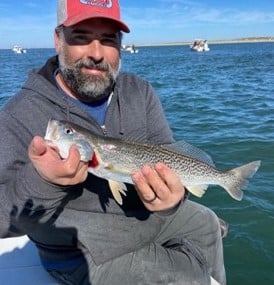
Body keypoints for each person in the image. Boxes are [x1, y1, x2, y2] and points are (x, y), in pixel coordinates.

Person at [0, 0, 226, 284]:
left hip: (144, 219)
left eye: (108, 39)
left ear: (120, 45)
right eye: (81, 37)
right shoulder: (18, 114)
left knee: (206, 224)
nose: (96, 53)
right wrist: (43, 182)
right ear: (58, 40)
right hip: (84, 250)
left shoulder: (139, 91)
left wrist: (172, 198)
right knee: (182, 276)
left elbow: (167, 154)